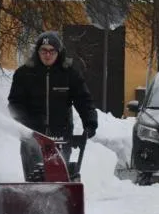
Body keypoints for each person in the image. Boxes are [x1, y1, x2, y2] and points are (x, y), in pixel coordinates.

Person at [8, 31, 99, 181]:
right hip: (33, 137)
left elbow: (84, 100)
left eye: (52, 51)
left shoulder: (69, 74)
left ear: (59, 52)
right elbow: (15, 103)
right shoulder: (24, 74)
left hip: (61, 136)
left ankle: (61, 203)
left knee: (59, 178)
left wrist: (90, 122)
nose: (47, 55)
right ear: (37, 52)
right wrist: (24, 126)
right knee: (34, 179)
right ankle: (32, 203)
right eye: (43, 50)